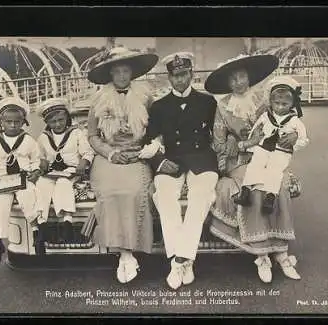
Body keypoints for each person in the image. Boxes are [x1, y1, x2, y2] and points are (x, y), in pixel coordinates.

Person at [204, 54, 303, 283]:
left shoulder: (265, 101)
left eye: (242, 76)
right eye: (233, 79)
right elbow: (218, 144)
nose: (238, 82)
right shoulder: (223, 107)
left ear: (249, 77)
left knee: (279, 184)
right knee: (257, 187)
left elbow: (288, 119)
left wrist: (294, 133)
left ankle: (282, 253)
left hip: (269, 155)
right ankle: (262, 256)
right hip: (238, 160)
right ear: (228, 83)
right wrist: (238, 143)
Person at [144, 52, 219, 290]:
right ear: (168, 77)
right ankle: (185, 260)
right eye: (175, 76)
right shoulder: (159, 106)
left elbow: (218, 134)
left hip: (202, 159)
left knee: (201, 197)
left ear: (191, 74)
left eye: (184, 74)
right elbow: (149, 141)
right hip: (171, 160)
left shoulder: (208, 102)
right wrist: (158, 162)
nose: (180, 80)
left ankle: (179, 261)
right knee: (164, 197)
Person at [86, 47, 159, 284]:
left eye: (126, 70)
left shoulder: (147, 97)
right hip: (109, 156)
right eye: (117, 71)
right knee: (110, 191)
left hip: (137, 154)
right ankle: (125, 255)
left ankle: (131, 249)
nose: (122, 76)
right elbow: (92, 136)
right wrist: (110, 153)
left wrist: (148, 149)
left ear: (132, 72)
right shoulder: (99, 99)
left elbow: (157, 130)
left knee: (136, 191)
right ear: (110, 74)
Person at [0, 97, 41, 265]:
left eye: (17, 122)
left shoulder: (29, 141)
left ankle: (37, 232)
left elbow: (36, 159)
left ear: (23, 122)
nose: (13, 125)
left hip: (22, 177)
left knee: (29, 197)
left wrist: (35, 171)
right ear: (1, 123)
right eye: (8, 122)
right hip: (2, 180)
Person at [236, 75, 309, 214]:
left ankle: (270, 197)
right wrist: (251, 144)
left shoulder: (294, 121)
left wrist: (293, 144)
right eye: (276, 103)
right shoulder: (265, 116)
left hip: (282, 151)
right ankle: (245, 191)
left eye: (284, 104)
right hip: (263, 147)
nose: (280, 107)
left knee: (274, 170)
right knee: (255, 164)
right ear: (271, 102)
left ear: (292, 104)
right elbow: (255, 131)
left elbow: (304, 139)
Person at [34, 98, 95, 255]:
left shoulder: (76, 133)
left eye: (61, 119)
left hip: (71, 171)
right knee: (41, 185)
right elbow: (39, 156)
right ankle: (41, 227)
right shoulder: (43, 137)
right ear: (47, 122)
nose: (58, 124)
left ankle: (67, 222)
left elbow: (87, 152)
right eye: (53, 121)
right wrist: (41, 163)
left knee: (63, 183)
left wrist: (83, 162)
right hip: (51, 172)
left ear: (67, 117)